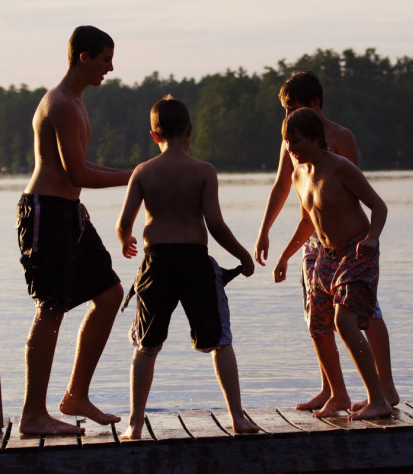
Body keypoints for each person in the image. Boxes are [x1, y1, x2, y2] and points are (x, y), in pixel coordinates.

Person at [116, 95, 261, 439]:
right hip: (195, 262)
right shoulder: (203, 172)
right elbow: (216, 225)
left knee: (146, 346)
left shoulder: (143, 172)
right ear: (190, 130)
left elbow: (124, 223)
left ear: (154, 135)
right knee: (220, 342)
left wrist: (125, 242)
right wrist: (243, 256)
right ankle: (237, 418)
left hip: (156, 263)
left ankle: (135, 424)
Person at [255, 71, 398, 417]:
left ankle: (381, 394)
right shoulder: (296, 164)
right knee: (318, 321)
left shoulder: (338, 154)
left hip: (354, 247)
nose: (290, 143)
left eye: (293, 108)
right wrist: (279, 248)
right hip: (321, 249)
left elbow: (367, 201)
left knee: (351, 318)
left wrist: (373, 239)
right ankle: (337, 393)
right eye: (284, 111)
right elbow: (306, 216)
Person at [16, 25, 132, 436]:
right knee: (50, 309)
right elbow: (76, 171)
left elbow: (82, 172)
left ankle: (76, 396)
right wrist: (136, 178)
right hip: (46, 213)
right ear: (84, 57)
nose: (110, 68)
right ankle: (33, 414)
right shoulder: (61, 103)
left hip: (69, 212)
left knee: (109, 294)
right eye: (105, 59)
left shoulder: (76, 102)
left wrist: (135, 174)